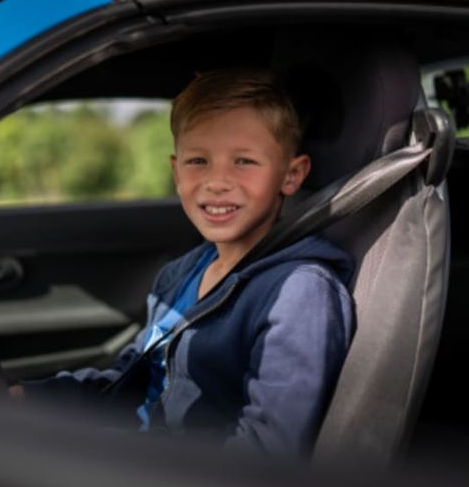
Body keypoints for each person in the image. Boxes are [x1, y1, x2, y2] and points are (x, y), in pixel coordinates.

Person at [20, 68, 354, 457]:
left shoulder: (299, 294)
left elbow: (267, 456)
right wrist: (28, 397)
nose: (217, 181)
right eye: (198, 161)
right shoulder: (181, 274)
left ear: (292, 175)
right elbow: (130, 380)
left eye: (244, 161)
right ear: (175, 171)